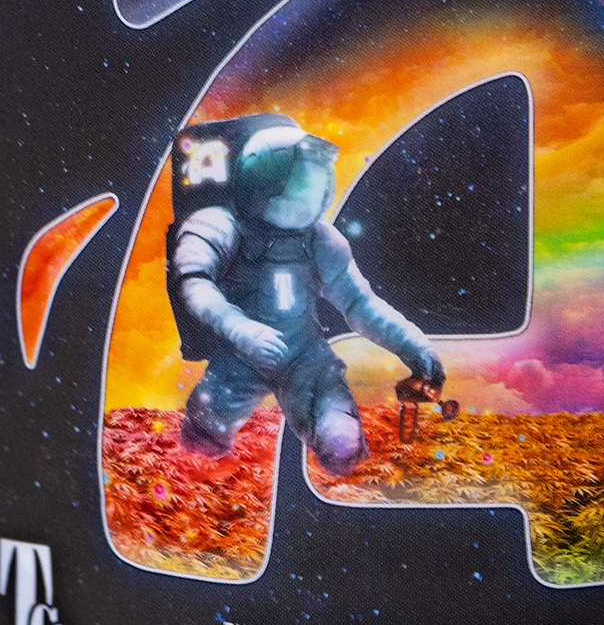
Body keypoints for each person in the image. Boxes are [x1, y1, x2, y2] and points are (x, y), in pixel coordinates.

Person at [167, 119, 444, 474]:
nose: (309, 197)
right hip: (239, 358)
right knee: (200, 447)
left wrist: (416, 348)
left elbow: (361, 305)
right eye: (299, 186)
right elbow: (193, 282)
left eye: (315, 185)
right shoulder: (218, 225)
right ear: (262, 184)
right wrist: (240, 329)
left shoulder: (321, 241)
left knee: (342, 444)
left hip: (305, 357)